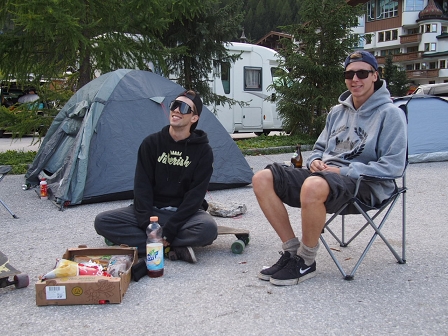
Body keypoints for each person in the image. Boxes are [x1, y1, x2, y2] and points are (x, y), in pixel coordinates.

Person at [252, 51, 407, 286]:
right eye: (349, 74)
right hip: (325, 178)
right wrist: (315, 160)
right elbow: (320, 147)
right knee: (262, 178)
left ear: (375, 75)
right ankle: (293, 252)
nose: (355, 79)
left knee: (313, 184)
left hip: (365, 185)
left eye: (362, 73)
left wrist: (343, 171)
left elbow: (394, 167)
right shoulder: (337, 112)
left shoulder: (391, 114)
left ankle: (306, 260)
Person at [94, 90, 218, 263]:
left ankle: (151, 243)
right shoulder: (151, 144)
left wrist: (171, 228)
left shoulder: (204, 151)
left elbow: (195, 196)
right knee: (103, 221)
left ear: (194, 118)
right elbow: (142, 187)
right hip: (152, 211)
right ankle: (172, 247)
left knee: (208, 229)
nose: (176, 110)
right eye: (174, 105)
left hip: (184, 214)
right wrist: (147, 224)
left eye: (183, 108)